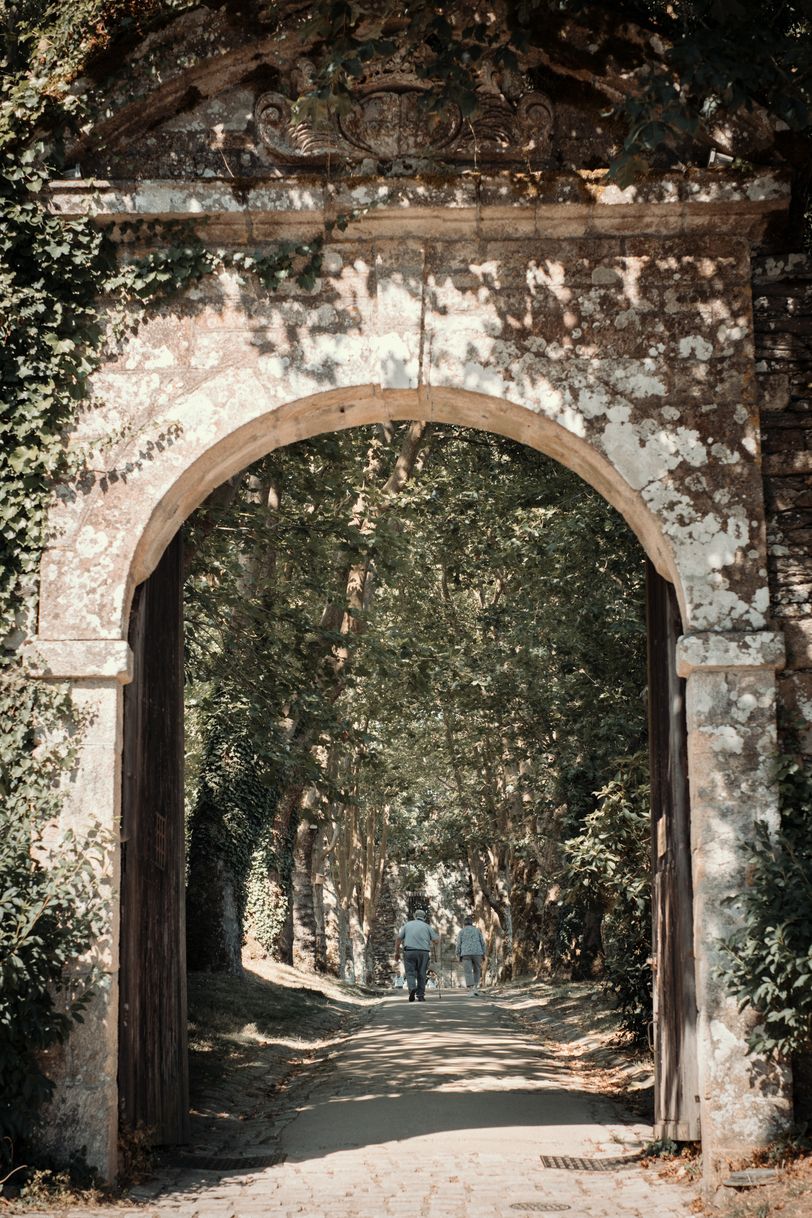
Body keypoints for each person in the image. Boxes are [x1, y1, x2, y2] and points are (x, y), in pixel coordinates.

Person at [394, 908, 438, 1002]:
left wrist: (397, 953)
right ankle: (421, 995)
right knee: (422, 973)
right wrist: (432, 943)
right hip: (423, 952)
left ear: (415, 916)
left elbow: (398, 939)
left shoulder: (407, 925)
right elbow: (436, 941)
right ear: (424, 917)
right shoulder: (427, 926)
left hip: (409, 951)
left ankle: (412, 988)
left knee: (410, 973)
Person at [456, 915, 486, 995]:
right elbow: (482, 942)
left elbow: (458, 944)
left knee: (468, 971)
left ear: (464, 924)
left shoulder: (461, 932)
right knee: (477, 970)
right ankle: (475, 987)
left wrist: (457, 953)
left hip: (466, 954)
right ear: (471, 923)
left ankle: (471, 990)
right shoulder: (477, 931)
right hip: (477, 953)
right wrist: (484, 953)